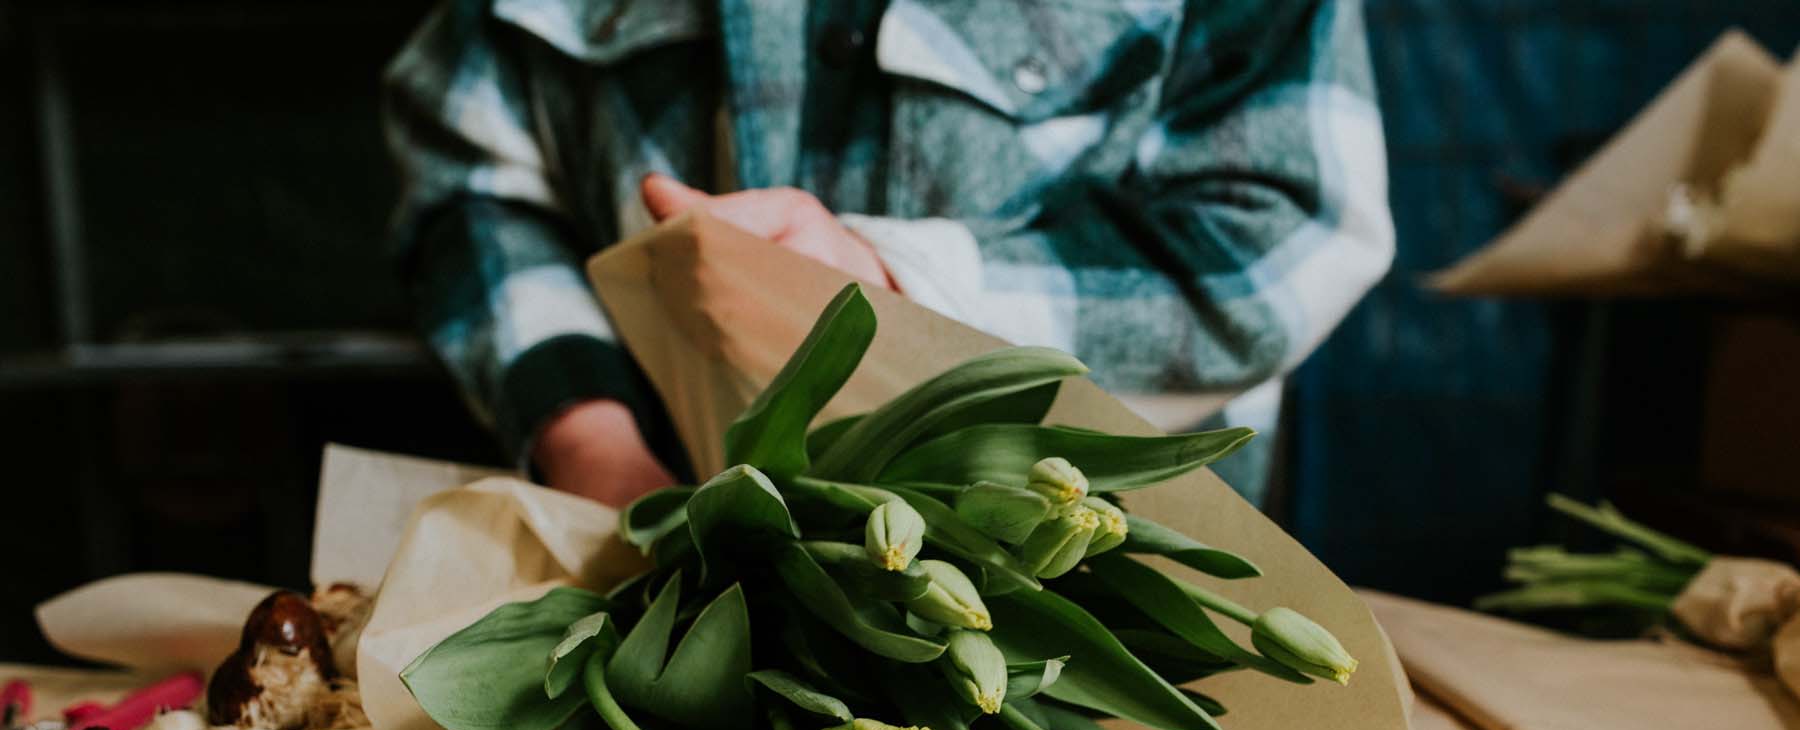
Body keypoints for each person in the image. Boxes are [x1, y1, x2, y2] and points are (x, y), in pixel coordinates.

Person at [384, 0, 1393, 509]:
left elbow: (1284, 228)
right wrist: (588, 443)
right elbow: (473, 178)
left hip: (1078, 653)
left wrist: (897, 291)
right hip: (638, 609)